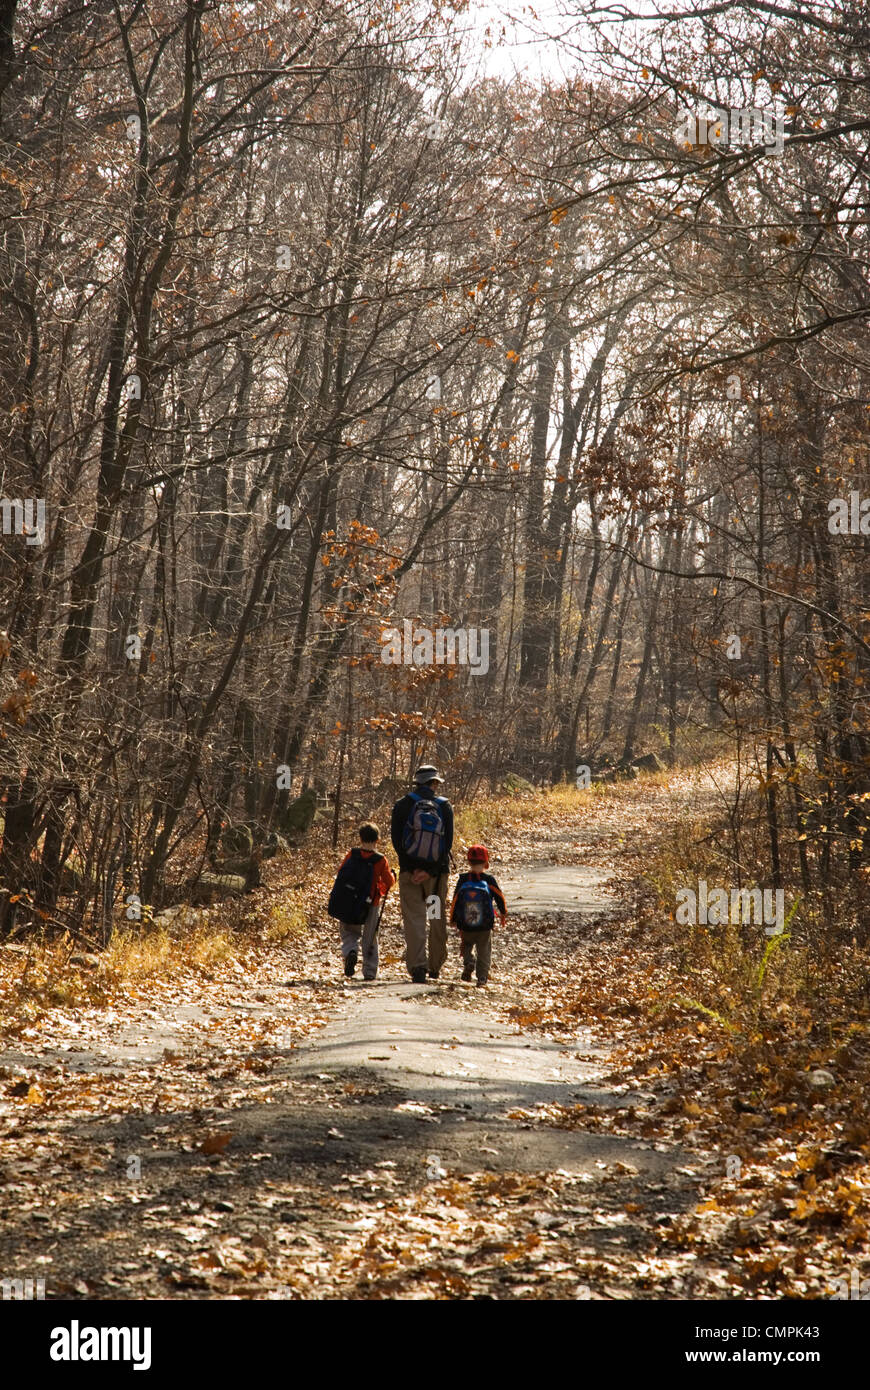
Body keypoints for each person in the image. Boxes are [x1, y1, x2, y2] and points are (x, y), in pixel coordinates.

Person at [390, 765, 454, 983]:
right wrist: (429, 871)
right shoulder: (444, 807)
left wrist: (413, 869)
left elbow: (397, 843)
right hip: (436, 878)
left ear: (417, 783)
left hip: (409, 876)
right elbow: (447, 844)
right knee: (436, 917)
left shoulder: (401, 805)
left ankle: (418, 967)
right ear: (434, 783)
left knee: (414, 919)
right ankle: (435, 966)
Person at [329, 822, 395, 981]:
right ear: (377, 840)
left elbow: (341, 873)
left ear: (360, 838)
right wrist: (393, 875)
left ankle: (351, 952)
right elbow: (389, 881)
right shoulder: (380, 860)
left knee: (349, 931)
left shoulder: (352, 854)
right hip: (371, 902)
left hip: (349, 901)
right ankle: (370, 971)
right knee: (370, 936)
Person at [450, 844, 506, 987]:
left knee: (466, 944)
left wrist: (453, 918)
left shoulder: (463, 879)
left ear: (468, 862)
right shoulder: (489, 880)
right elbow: (500, 897)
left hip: (466, 924)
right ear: (486, 863)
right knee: (484, 950)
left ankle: (469, 961)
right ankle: (481, 978)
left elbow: (455, 899)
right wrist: (503, 913)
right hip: (485, 924)